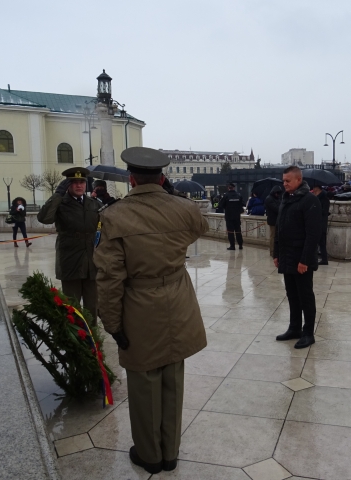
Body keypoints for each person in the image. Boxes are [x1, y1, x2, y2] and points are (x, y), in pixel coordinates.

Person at [94, 147, 208, 475]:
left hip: (139, 305)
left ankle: (149, 455)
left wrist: (112, 322)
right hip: (178, 300)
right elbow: (200, 226)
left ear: (131, 179)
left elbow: (109, 277)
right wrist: (172, 197)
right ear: (162, 178)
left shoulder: (113, 215)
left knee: (145, 381)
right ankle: (170, 453)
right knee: (173, 378)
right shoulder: (183, 209)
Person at [37, 167, 100, 320]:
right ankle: (74, 334)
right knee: (72, 306)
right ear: (67, 185)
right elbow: (44, 218)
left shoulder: (93, 204)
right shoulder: (60, 203)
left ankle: (91, 333)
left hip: (92, 261)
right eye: (74, 182)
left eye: (82, 182)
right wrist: (58, 195)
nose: (79, 185)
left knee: (92, 305)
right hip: (70, 259)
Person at [274, 166, 321, 349]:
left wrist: (305, 260)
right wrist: (276, 253)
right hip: (287, 256)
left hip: (301, 258)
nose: (284, 184)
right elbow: (279, 228)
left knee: (305, 296)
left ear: (299, 180)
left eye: (288, 181)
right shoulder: (286, 199)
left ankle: (308, 333)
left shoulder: (310, 200)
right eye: (283, 181)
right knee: (292, 295)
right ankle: (294, 328)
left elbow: (313, 234)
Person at [218, 183, 245, 250]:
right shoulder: (238, 195)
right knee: (238, 231)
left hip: (229, 216)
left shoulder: (226, 195)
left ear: (228, 188)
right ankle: (240, 245)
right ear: (234, 188)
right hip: (237, 216)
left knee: (230, 232)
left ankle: (232, 246)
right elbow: (243, 204)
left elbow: (221, 205)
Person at [312, 185, 331, 265]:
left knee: (321, 242)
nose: (314, 193)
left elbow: (324, 212)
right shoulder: (318, 199)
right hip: (319, 223)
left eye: (315, 191)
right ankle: (323, 259)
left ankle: (323, 259)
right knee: (320, 242)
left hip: (321, 224)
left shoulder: (324, 199)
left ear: (318, 190)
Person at [264, 185, 282, 257]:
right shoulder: (269, 199)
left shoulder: (277, 198)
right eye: (277, 193)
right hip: (273, 221)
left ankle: (277, 251)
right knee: (273, 237)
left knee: (277, 237)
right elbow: (277, 209)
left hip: (278, 220)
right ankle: (272, 252)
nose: (278, 195)